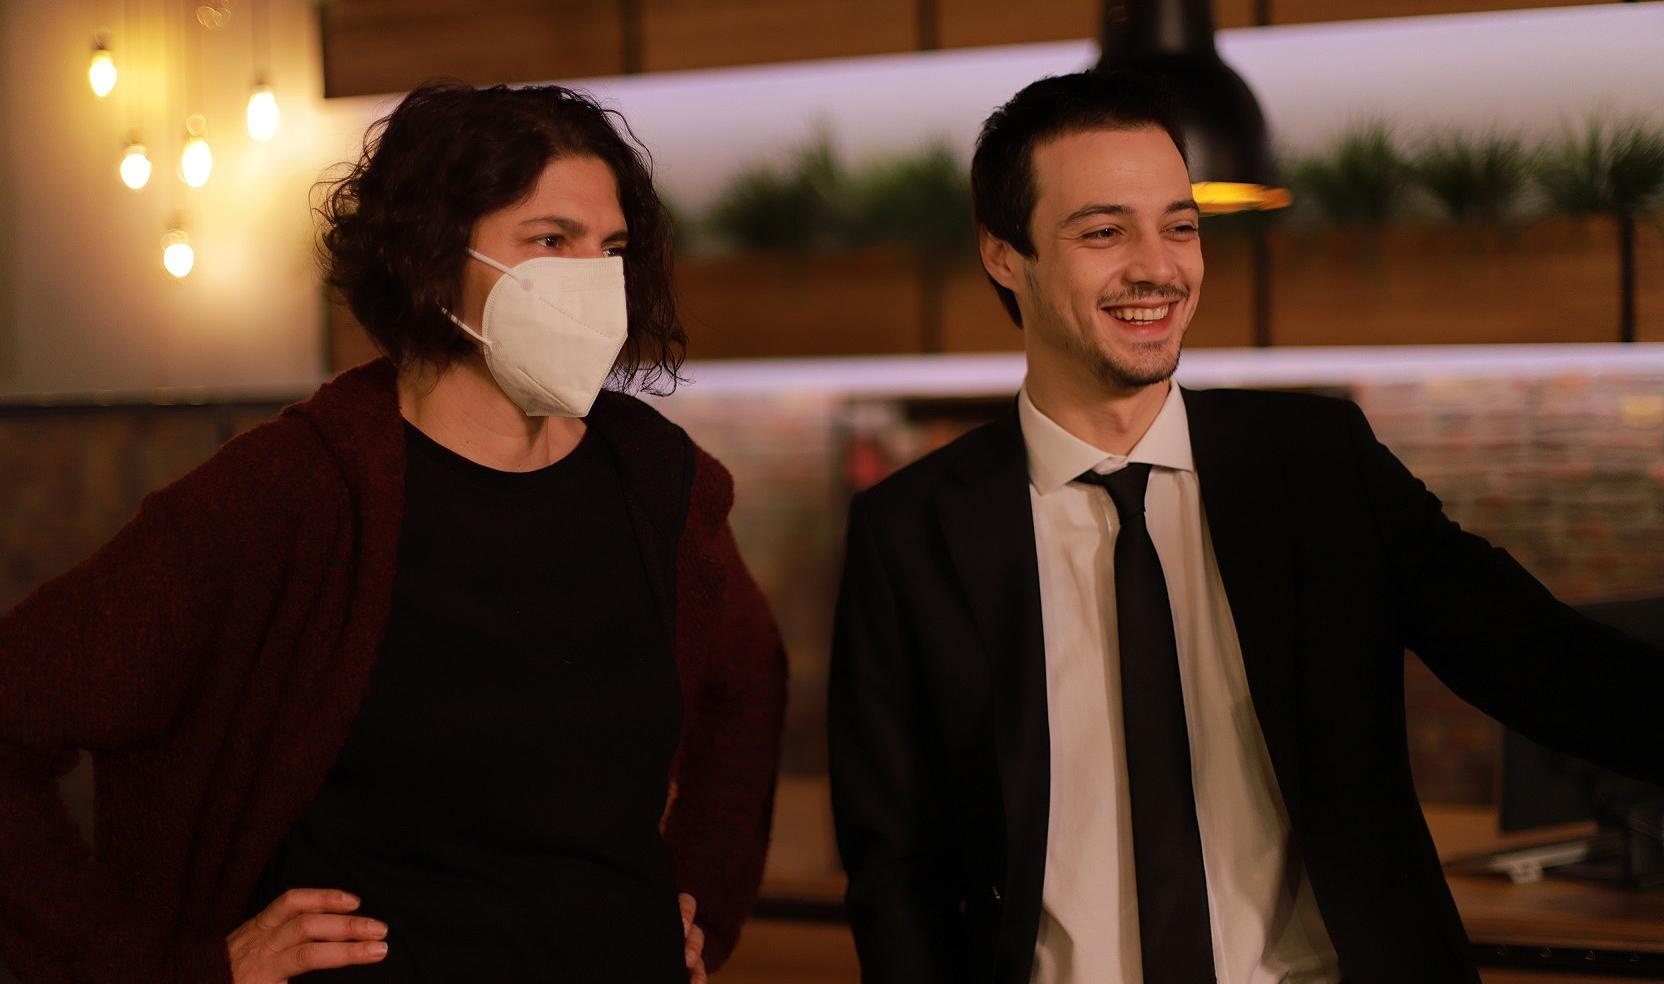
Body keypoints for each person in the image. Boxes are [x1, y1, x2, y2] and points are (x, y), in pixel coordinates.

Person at [827, 70, 1664, 984]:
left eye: (1180, 226)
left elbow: (1542, 659)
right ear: (1002, 255)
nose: (1157, 267)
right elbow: (893, 868)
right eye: (1104, 232)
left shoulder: (1318, 466)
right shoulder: (908, 532)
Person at [0, 82, 787, 983]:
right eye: (550, 241)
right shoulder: (291, 494)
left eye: (610, 249)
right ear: (433, 257)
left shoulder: (657, 480)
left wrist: (698, 900)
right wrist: (161, 970)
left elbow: (747, 684)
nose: (593, 278)